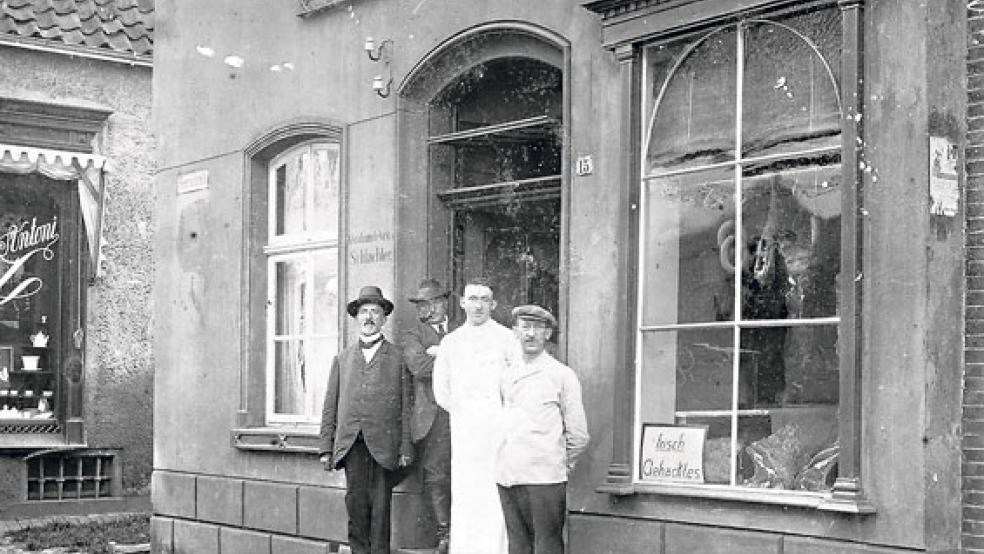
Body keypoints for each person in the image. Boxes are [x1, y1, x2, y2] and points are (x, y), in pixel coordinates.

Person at [319, 286, 413, 554]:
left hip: (384, 448)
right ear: (356, 318)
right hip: (352, 447)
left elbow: (406, 407)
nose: (369, 317)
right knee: (356, 510)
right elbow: (330, 406)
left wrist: (405, 447)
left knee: (381, 513)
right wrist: (326, 447)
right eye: (364, 312)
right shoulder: (342, 359)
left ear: (384, 318)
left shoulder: (398, 358)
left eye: (375, 311)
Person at [433, 277, 518, 554]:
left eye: (484, 299)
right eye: (472, 299)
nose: (478, 305)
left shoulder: (507, 339)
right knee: (467, 493)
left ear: (493, 304)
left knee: (494, 493)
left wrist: (500, 418)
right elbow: (441, 390)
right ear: (462, 303)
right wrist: (465, 412)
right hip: (465, 430)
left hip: (497, 430)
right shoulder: (451, 342)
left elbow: (516, 384)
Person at [497, 305, 589, 554]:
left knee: (547, 547)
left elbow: (579, 435)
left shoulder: (561, 375)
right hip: (509, 476)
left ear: (548, 334)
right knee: (517, 547)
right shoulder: (507, 375)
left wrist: (556, 465)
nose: (530, 334)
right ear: (515, 331)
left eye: (538, 328)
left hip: (544, 479)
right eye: (525, 327)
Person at [401, 278, 454, 554]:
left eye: (426, 303)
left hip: (464, 416)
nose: (422, 309)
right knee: (437, 475)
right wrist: (450, 356)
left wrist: (440, 352)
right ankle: (445, 533)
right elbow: (419, 367)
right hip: (432, 420)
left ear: (441, 303)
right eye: (419, 304)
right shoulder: (413, 335)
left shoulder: (460, 330)